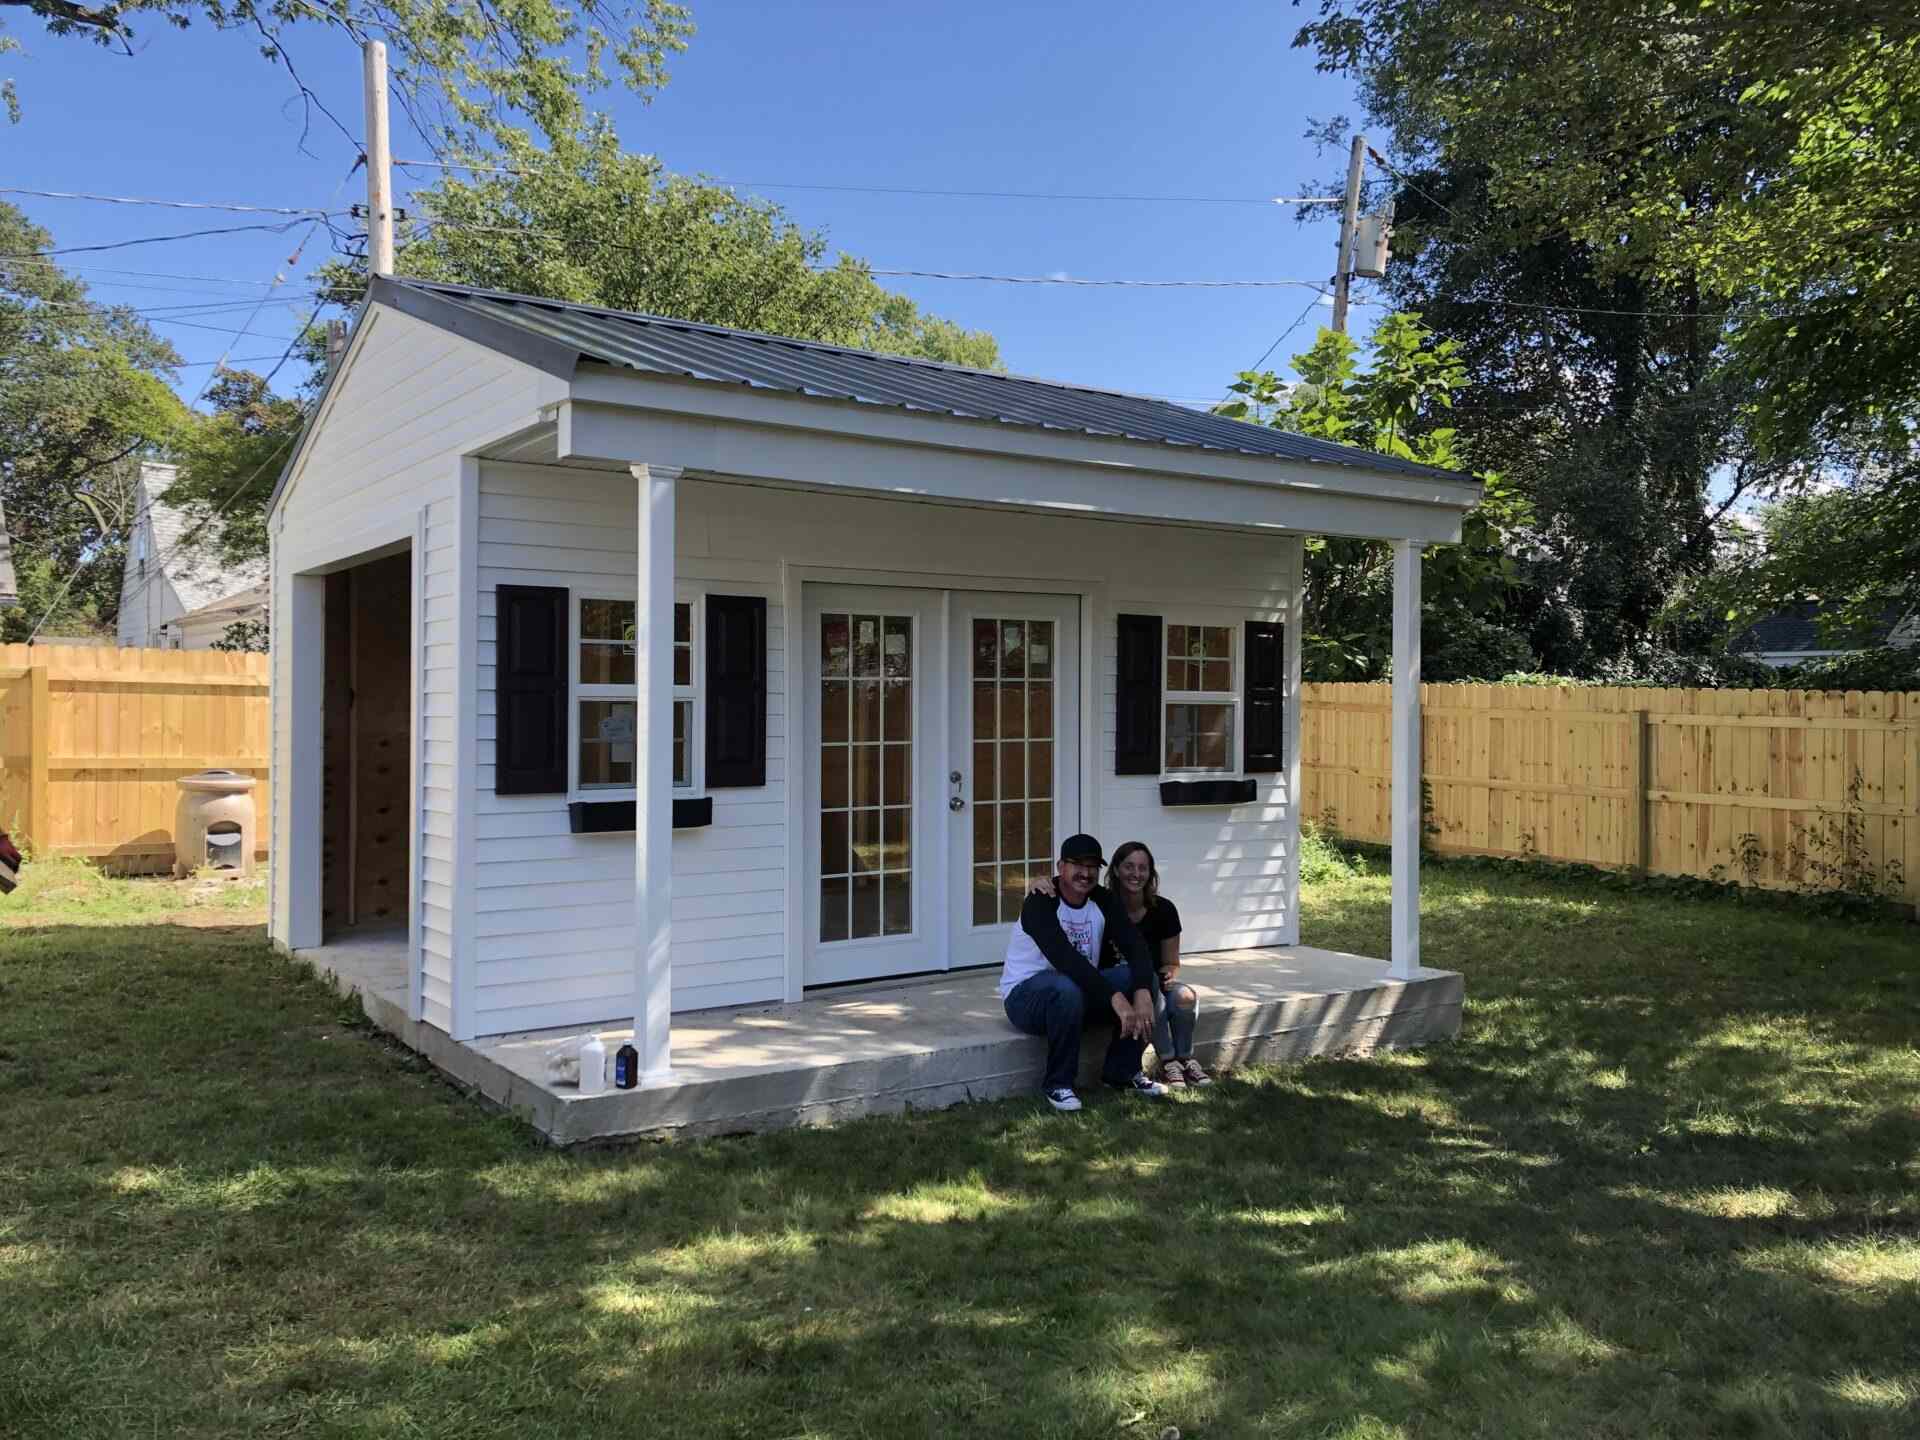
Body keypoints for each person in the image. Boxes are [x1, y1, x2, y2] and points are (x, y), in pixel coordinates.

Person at [999, 833, 1168, 1112]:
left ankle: (1122, 1073)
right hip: (1026, 999)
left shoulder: (1103, 900)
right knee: (1065, 985)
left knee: (1143, 978)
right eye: (1077, 864)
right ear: (1060, 866)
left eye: (1092, 866)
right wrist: (1115, 998)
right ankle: (1058, 1083)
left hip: (1078, 994)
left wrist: (1141, 992)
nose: (1085, 873)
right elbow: (1065, 958)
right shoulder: (1040, 901)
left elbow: (1135, 945)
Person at [1033, 841, 1212, 1087]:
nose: (1136, 874)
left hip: (1146, 981)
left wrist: (1162, 977)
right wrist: (1038, 882)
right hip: (1102, 984)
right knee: (1141, 992)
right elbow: (1062, 890)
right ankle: (1168, 1060)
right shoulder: (1103, 901)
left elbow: (1167, 960)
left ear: (1151, 873)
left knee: (1177, 995)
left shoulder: (1163, 909)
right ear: (1115, 870)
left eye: (1143, 868)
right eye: (1129, 866)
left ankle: (1182, 1060)